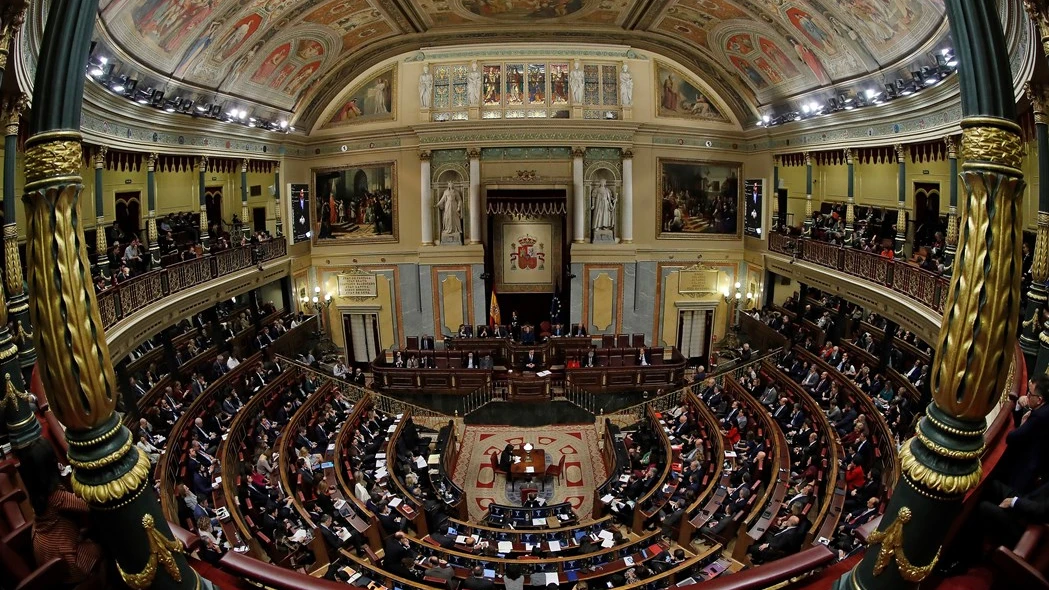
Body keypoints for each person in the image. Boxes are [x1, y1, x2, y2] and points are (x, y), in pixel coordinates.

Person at [19, 439, 103, 585]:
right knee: (104, 547)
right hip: (66, 562)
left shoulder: (36, 493)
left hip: (46, 554)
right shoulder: (57, 497)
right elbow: (90, 505)